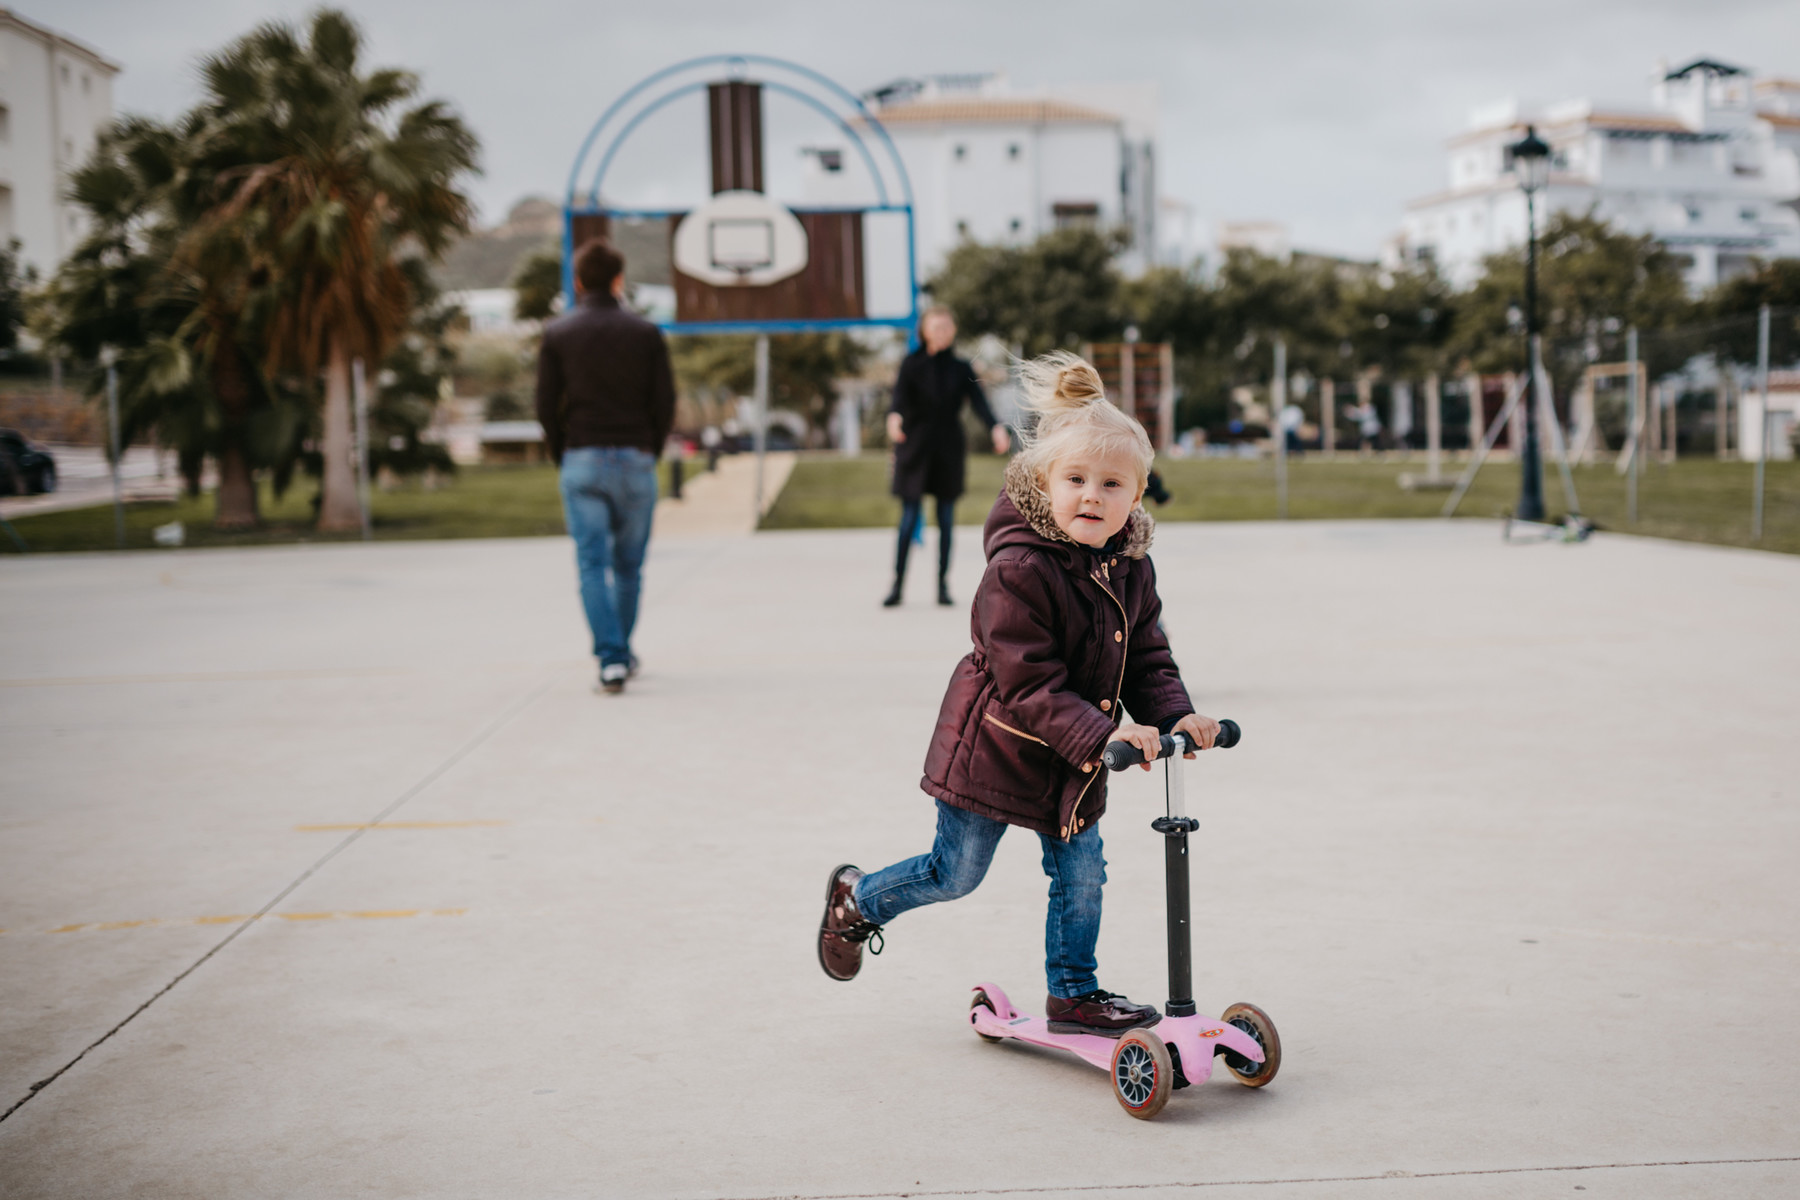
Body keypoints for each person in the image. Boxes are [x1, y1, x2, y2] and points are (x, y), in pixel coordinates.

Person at [819, 351, 1222, 1037]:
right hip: (997, 750)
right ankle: (858, 898)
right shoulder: (1017, 569)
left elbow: (1147, 653)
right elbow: (1025, 680)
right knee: (957, 873)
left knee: (1083, 875)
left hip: (1078, 754)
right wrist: (1102, 735)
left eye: (1112, 484)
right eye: (1076, 480)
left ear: (1138, 495)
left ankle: (1073, 992)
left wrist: (1176, 713)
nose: (1092, 496)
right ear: (1044, 482)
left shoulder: (1130, 567)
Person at [535, 238, 675, 695]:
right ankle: (622, 651)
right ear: (619, 280)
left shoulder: (558, 334)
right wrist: (648, 449)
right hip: (635, 458)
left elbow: (544, 404)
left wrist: (563, 451)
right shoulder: (646, 334)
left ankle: (611, 660)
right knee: (629, 568)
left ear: (577, 282)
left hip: (583, 457)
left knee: (592, 566)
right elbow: (665, 402)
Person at [884, 307, 1010, 608]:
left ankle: (942, 585)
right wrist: (894, 419)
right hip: (914, 447)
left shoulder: (960, 366)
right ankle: (897, 585)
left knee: (946, 519)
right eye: (935, 326)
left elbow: (979, 402)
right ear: (925, 331)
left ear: (952, 331)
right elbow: (898, 400)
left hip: (948, 449)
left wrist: (995, 427)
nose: (941, 332)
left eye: (946, 327)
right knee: (909, 517)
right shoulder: (911, 364)